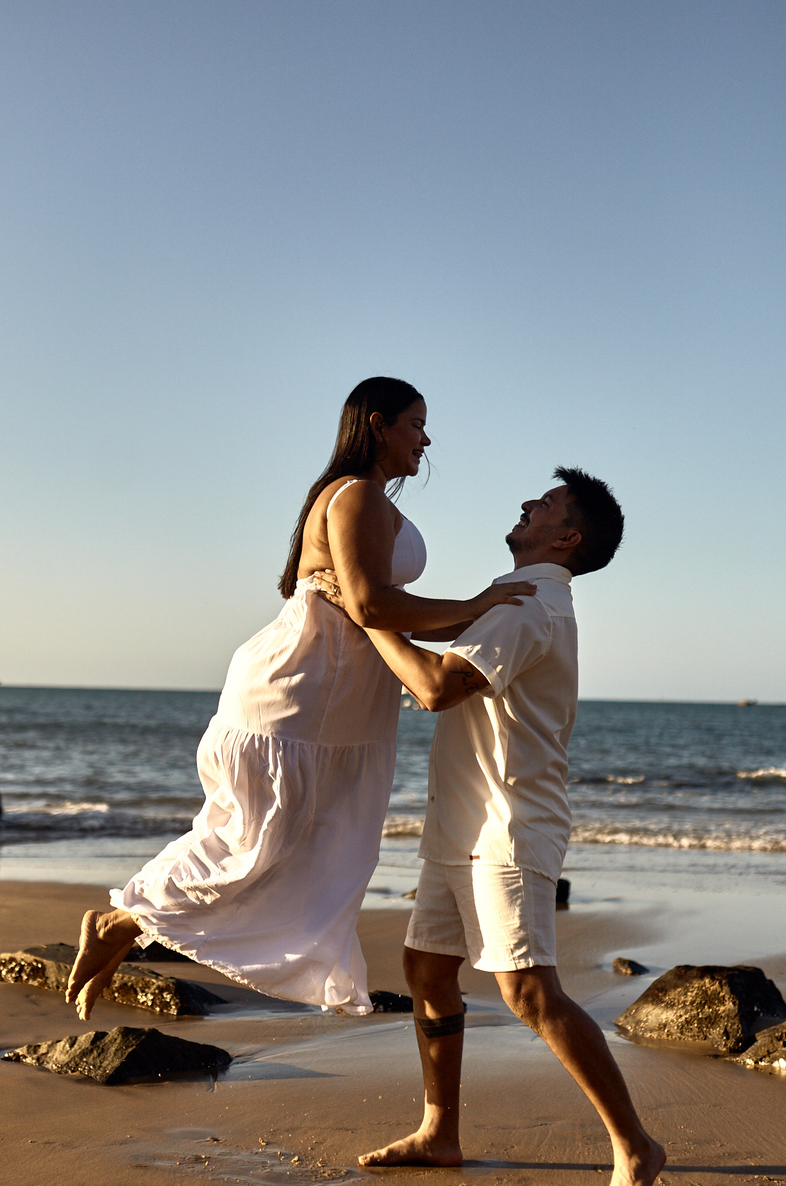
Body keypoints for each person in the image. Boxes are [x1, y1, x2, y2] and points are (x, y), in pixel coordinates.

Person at [65, 377, 534, 1020]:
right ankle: (123, 921)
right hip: (300, 696)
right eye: (416, 423)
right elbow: (370, 605)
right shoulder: (356, 496)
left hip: (340, 704)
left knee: (300, 850)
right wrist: (477, 605)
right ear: (377, 424)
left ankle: (124, 922)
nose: (426, 439)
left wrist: (482, 618)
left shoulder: (366, 498)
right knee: (252, 842)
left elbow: (377, 606)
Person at [348, 468, 666, 1186]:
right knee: (427, 969)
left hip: (509, 826)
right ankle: (440, 1131)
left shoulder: (532, 606)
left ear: (567, 537)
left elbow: (432, 687)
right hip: (463, 821)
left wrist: (368, 617)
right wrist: (372, 609)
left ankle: (635, 1145)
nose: (528, 502)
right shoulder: (511, 597)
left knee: (528, 991)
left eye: (547, 503)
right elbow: (432, 638)